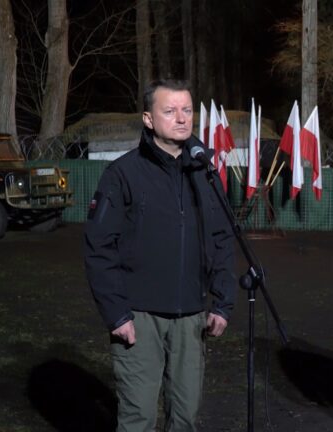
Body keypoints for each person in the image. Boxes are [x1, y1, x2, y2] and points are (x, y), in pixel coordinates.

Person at [84, 79, 236, 431]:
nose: (182, 118)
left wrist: (223, 303)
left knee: (185, 417)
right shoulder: (122, 174)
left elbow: (222, 239)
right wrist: (117, 314)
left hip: (192, 318)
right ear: (149, 119)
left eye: (187, 110)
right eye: (170, 111)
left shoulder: (207, 173)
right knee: (139, 417)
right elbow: (98, 249)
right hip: (139, 318)